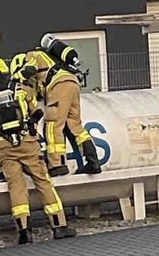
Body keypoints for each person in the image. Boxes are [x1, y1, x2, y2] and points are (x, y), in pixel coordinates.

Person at [0, 56, 77, 244]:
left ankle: (23, 231)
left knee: (16, 187)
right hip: (27, 142)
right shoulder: (22, 90)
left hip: (5, 146)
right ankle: (59, 226)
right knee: (43, 182)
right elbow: (35, 111)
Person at [19, 34, 102, 177]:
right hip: (73, 83)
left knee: (53, 125)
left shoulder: (35, 54)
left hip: (58, 85)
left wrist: (19, 77)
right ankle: (93, 160)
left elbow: (30, 70)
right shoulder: (57, 60)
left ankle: (57, 165)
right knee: (75, 125)